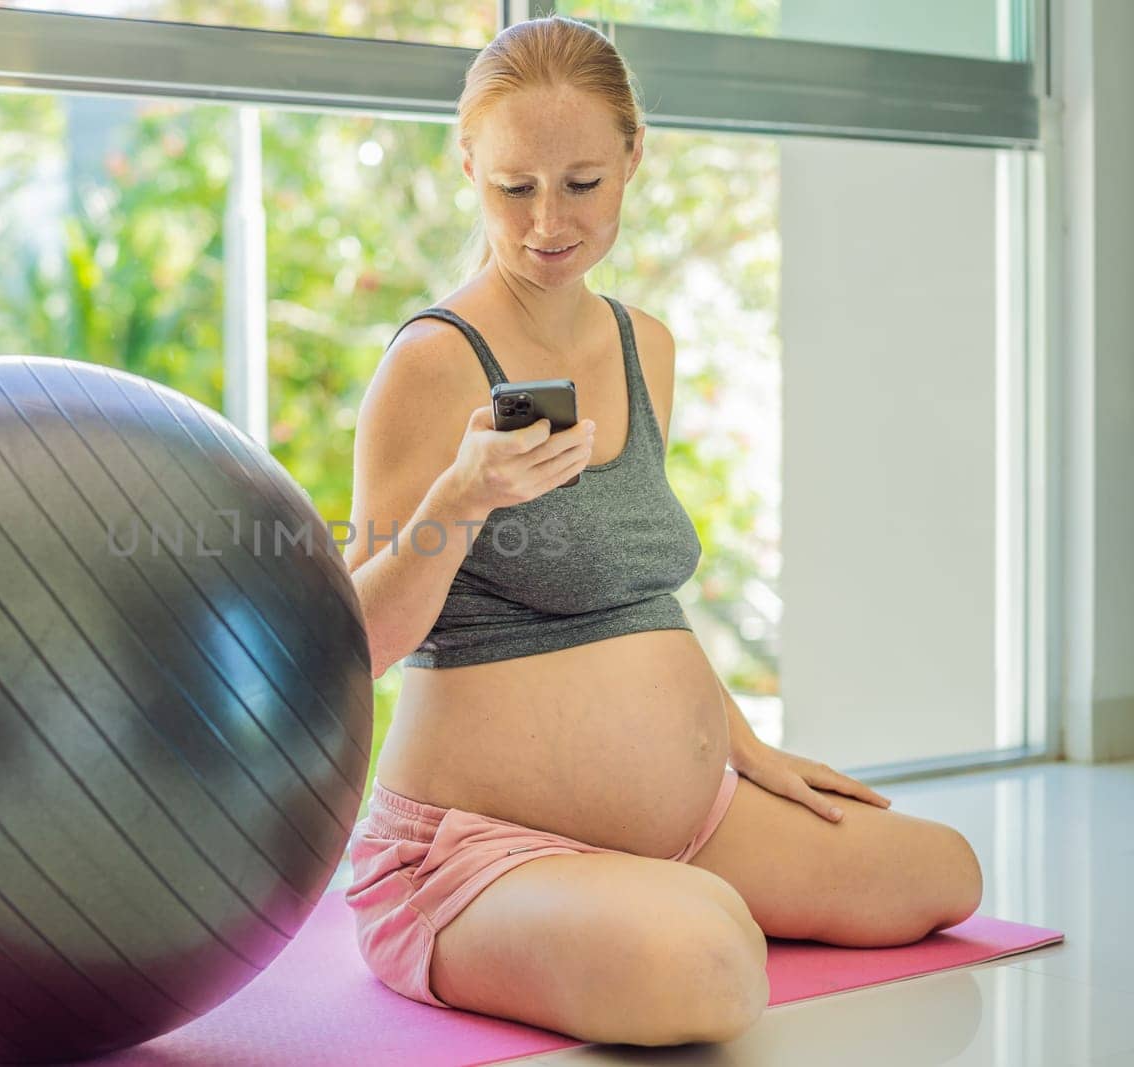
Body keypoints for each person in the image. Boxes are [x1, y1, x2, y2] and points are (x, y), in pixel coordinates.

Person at [341, 15, 984, 1048]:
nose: (547, 220)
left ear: (635, 154)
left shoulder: (648, 346)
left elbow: (637, 593)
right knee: (708, 969)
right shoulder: (431, 361)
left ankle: (644, 888)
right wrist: (459, 498)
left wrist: (736, 744)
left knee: (942, 869)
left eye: (583, 182)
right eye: (513, 187)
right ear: (467, 163)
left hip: (683, 823)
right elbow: (360, 642)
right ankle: (618, 908)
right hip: (475, 850)